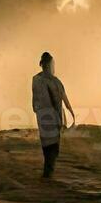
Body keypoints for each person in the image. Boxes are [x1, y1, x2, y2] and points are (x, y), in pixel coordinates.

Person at [31, 51, 74, 180]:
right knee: (53, 149)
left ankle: (47, 174)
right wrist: (68, 117)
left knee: (47, 147)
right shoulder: (54, 81)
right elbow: (62, 101)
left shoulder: (36, 79)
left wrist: (38, 111)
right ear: (49, 65)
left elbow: (34, 102)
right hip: (52, 118)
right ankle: (48, 175)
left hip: (42, 118)